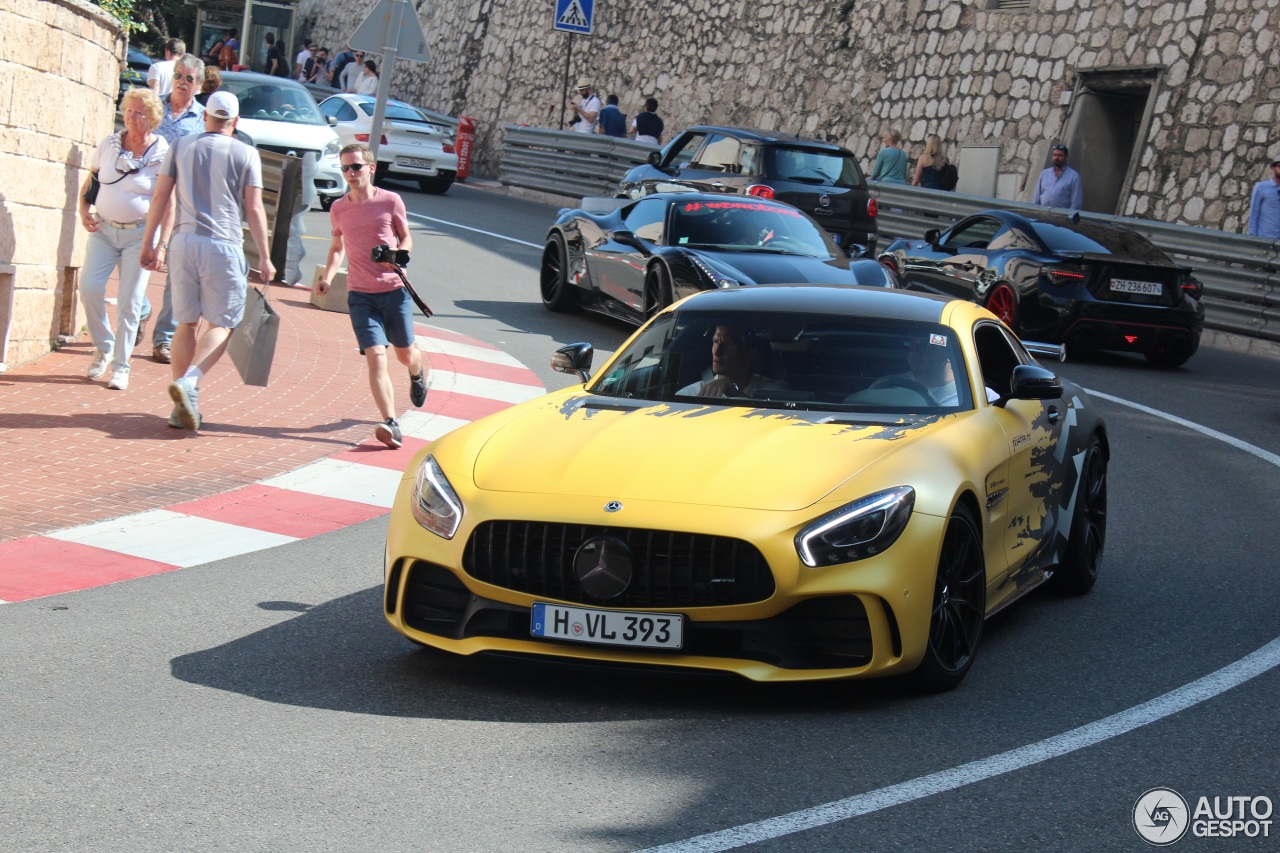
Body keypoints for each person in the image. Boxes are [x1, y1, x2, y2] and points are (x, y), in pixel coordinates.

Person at [139, 91, 274, 431]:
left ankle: (181, 406)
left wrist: (150, 243)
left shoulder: (181, 146)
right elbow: (255, 209)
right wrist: (267, 257)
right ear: (236, 122)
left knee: (185, 324)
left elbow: (160, 196)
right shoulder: (246, 153)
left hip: (184, 242)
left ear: (205, 117)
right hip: (223, 244)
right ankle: (191, 382)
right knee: (223, 324)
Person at [316, 143, 427, 449]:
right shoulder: (339, 208)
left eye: (356, 167)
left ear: (371, 168)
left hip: (394, 290)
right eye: (345, 168)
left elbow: (406, 236)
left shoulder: (390, 201)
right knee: (376, 357)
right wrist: (327, 277)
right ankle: (392, 422)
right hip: (361, 296)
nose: (351, 174)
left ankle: (417, 374)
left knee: (405, 355)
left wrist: (399, 254)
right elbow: (337, 246)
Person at [76, 88, 170, 391]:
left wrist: (161, 245)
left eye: (139, 112)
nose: (132, 116)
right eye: (129, 110)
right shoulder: (109, 144)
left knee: (130, 301)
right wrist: (83, 210)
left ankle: (121, 365)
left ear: (152, 118)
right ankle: (104, 345)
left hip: (140, 235)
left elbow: (168, 201)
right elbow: (92, 179)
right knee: (89, 287)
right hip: (104, 229)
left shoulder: (161, 152)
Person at [142, 53, 207, 364]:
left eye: (189, 78)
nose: (182, 82)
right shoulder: (155, 108)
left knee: (174, 271)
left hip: (181, 203)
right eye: (179, 76)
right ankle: (138, 309)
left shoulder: (203, 120)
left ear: (200, 85)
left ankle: (163, 339)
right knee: (133, 258)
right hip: (142, 196)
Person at [677, 324, 787, 398]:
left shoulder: (773, 391)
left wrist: (734, 391)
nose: (717, 351)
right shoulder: (690, 395)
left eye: (727, 345)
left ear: (749, 355)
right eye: (715, 342)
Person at [1032, 143, 1084, 209]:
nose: (1057, 158)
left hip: (1061, 217)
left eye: (1060, 155)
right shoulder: (1044, 174)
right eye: (1055, 155)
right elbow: (1036, 198)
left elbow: (1076, 203)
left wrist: (1067, 217)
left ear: (1066, 157)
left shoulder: (1074, 176)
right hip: (1042, 215)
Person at [1246, 157, 1280, 238]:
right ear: (1273, 168)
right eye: (1279, 166)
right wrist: (1253, 237)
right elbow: (1254, 213)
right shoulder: (1261, 187)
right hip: (1265, 239)